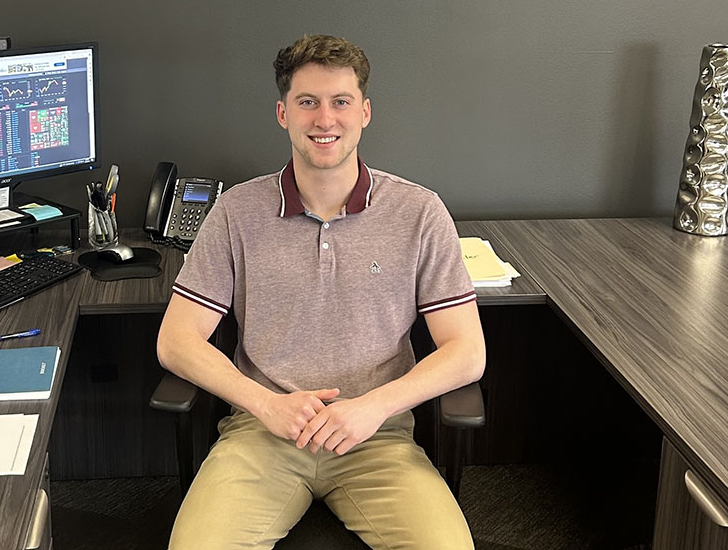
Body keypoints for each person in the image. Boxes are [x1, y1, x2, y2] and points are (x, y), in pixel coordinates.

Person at [156, 34, 485, 549]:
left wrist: (374, 407)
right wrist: (266, 405)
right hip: (264, 435)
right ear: (283, 113)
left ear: (365, 112)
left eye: (340, 102)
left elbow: (467, 353)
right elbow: (176, 341)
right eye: (307, 102)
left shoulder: (419, 212)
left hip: (376, 438)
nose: (324, 120)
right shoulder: (236, 212)